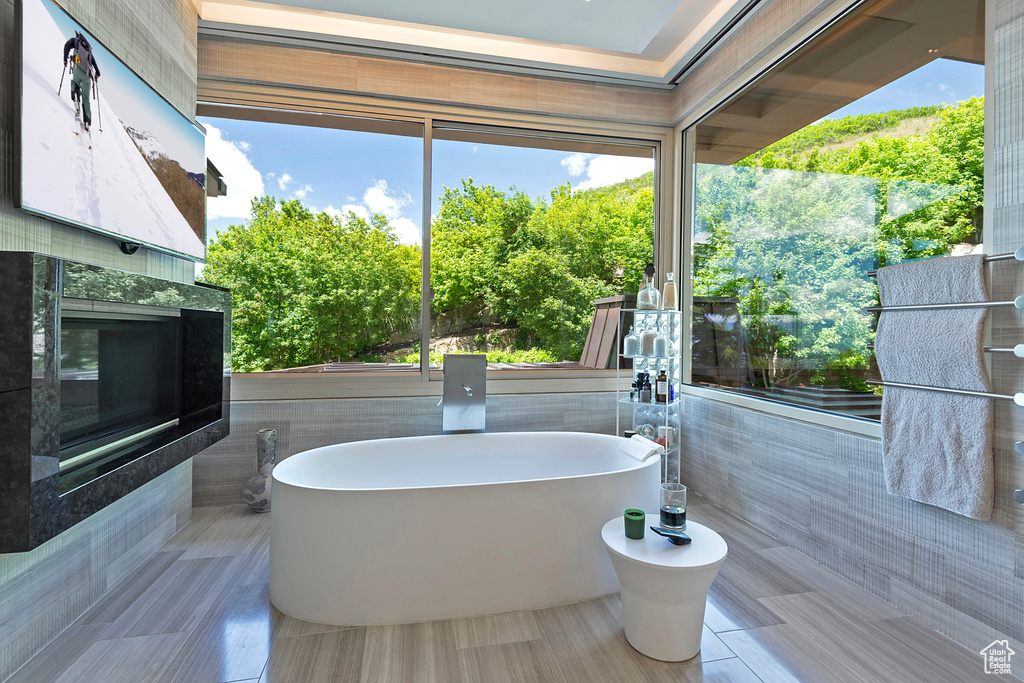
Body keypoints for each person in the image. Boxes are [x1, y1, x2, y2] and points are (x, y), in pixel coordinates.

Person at [62, 31, 100, 131]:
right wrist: (97, 72)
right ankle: (87, 121)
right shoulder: (88, 50)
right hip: (87, 75)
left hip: (76, 68)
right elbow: (93, 61)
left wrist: (65, 59)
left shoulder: (75, 41)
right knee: (86, 98)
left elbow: (67, 46)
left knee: (75, 82)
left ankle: (75, 97)